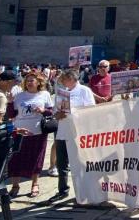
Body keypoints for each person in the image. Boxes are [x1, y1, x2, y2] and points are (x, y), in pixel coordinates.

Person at [50, 69, 96, 203]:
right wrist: (57, 114)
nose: (62, 81)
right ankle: (62, 190)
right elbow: (54, 110)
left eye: (64, 78)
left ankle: (82, 191)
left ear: (72, 79)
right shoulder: (62, 92)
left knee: (79, 163)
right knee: (62, 163)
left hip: (77, 132)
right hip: (63, 130)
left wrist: (72, 111)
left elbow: (90, 109)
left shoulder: (84, 91)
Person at [6, 72, 53, 198]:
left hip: (37, 132)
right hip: (19, 132)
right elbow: (11, 115)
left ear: (38, 82)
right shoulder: (19, 96)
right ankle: (15, 186)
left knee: (36, 159)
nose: (29, 83)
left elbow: (51, 112)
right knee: (16, 159)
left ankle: (35, 184)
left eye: (32, 80)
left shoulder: (45, 94)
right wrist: (10, 102)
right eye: (27, 81)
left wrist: (44, 111)